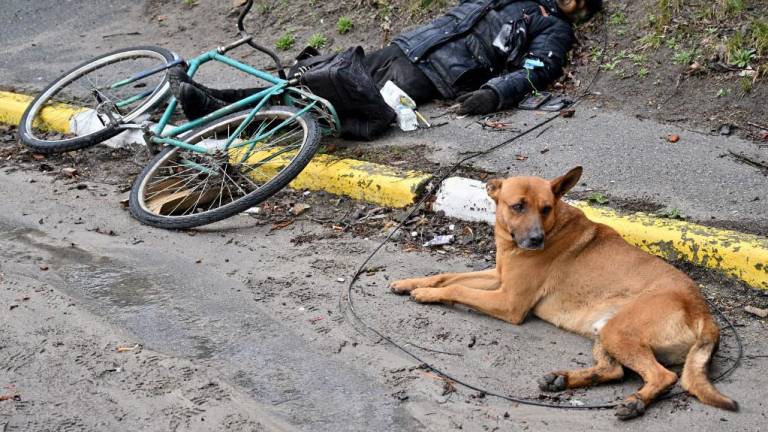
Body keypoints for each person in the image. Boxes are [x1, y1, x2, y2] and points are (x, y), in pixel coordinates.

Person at [172, 0, 601, 120]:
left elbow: (538, 71)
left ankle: (219, 109)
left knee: (332, 105)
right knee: (313, 79)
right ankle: (217, 101)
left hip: (431, 77)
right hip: (405, 48)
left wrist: (492, 93)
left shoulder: (554, 27)